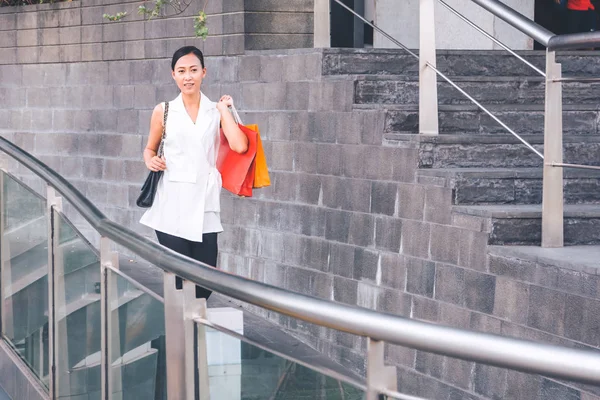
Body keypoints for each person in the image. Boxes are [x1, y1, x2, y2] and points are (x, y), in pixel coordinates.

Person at [140, 46, 248, 298]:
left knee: (204, 285)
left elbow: (240, 145)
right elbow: (149, 148)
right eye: (182, 71)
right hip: (171, 204)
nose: (188, 76)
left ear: (203, 73)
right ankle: (181, 335)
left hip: (204, 205)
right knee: (181, 282)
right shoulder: (163, 110)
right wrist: (150, 160)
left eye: (193, 70)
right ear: (173, 75)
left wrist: (224, 111)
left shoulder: (216, 110)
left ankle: (192, 332)